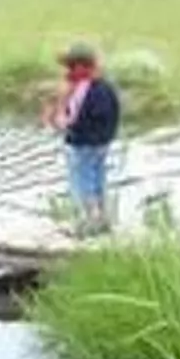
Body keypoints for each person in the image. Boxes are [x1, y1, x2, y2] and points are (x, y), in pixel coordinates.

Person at [46, 42, 120, 234]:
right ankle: (104, 220)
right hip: (102, 143)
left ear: (81, 67)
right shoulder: (106, 87)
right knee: (99, 179)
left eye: (70, 67)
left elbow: (70, 120)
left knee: (81, 183)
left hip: (83, 144)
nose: (66, 72)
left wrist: (59, 117)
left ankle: (87, 224)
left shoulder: (82, 90)